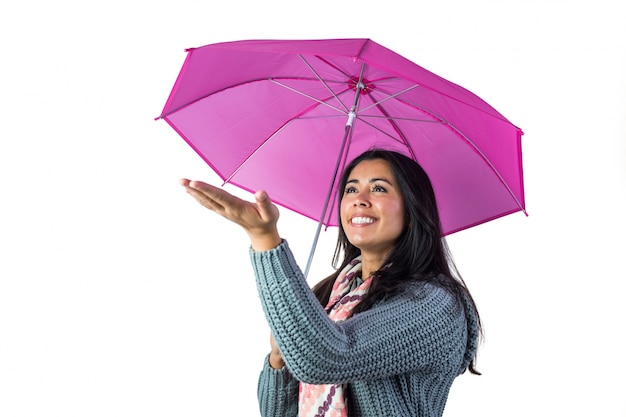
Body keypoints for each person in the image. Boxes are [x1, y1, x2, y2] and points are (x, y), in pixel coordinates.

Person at [180, 149, 481, 417]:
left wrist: (264, 238)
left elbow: (327, 357)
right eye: (351, 189)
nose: (359, 200)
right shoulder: (333, 295)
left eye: (378, 188)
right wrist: (279, 358)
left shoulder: (435, 306)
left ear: (413, 212)